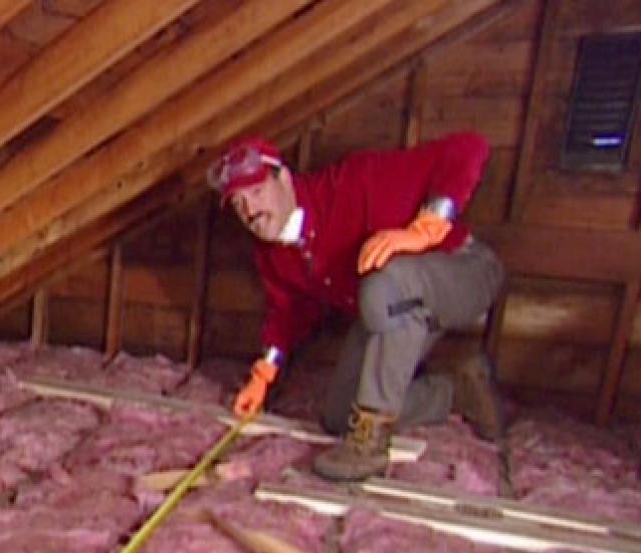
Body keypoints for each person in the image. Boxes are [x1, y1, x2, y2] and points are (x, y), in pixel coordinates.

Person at [210, 131, 506, 481]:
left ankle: (370, 443)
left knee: (383, 282)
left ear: (284, 179)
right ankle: (456, 392)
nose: (251, 212)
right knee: (339, 416)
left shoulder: (356, 181)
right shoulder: (274, 255)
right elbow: (287, 313)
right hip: (396, 309)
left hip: (464, 272)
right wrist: (264, 372)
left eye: (257, 193)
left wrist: (430, 226)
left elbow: (470, 147)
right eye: (239, 204)